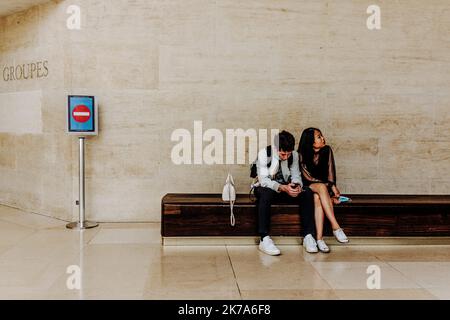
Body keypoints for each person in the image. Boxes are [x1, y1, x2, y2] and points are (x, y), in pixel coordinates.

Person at [254, 130, 319, 255]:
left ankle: (308, 236)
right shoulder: (264, 154)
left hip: (286, 189)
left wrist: (296, 186)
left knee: (307, 192)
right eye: (283, 154)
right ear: (275, 148)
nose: (286, 157)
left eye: (288, 154)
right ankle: (264, 238)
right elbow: (264, 180)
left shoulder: (293, 155)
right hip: (269, 188)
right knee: (265, 193)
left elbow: (296, 175)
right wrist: (282, 188)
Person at [298, 128, 349, 253]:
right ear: (311, 140)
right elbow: (307, 176)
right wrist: (325, 185)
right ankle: (336, 227)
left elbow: (331, 171)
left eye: (321, 136)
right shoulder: (301, 153)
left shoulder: (327, 150)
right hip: (308, 185)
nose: (323, 138)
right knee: (319, 189)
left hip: (324, 188)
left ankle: (319, 239)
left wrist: (332, 186)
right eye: (319, 137)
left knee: (317, 198)